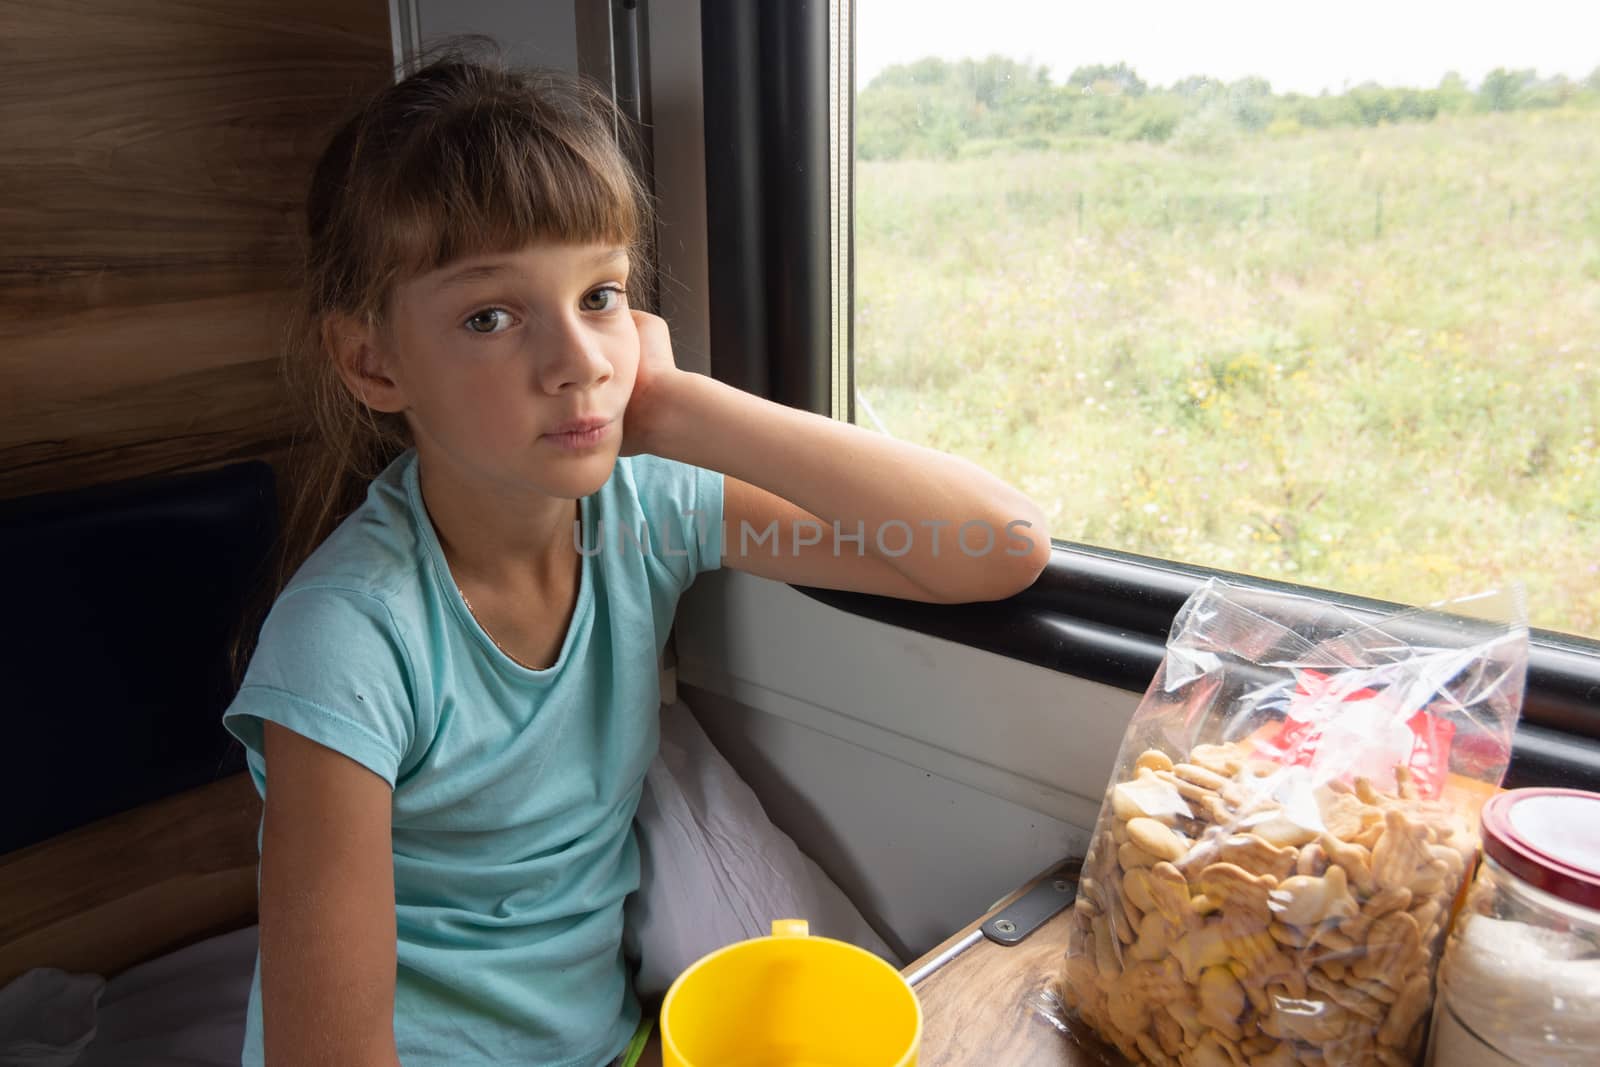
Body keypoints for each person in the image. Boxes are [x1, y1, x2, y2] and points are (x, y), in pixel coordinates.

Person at [221, 45, 1051, 1067]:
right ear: (372, 360)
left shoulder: (640, 511)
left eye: (601, 295)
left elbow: (996, 548)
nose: (576, 361)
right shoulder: (347, 639)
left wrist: (682, 406)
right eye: (491, 316)